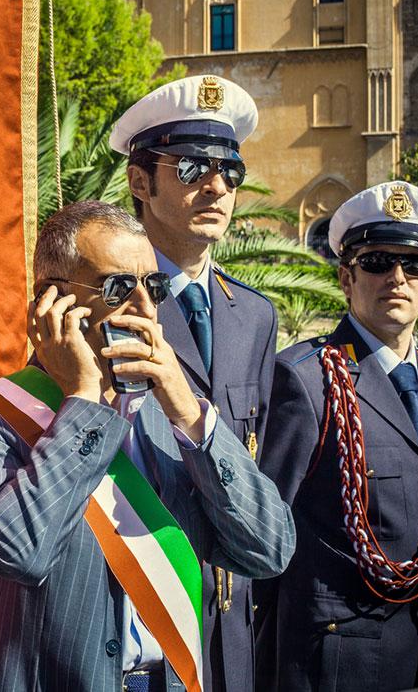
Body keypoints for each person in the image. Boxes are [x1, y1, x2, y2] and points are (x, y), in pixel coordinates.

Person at [0, 200, 294, 692]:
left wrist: (192, 416)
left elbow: (270, 550)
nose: (147, 308)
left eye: (154, 286)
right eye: (118, 288)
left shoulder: (175, 417)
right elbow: (21, 553)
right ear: (54, 303)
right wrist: (84, 399)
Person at [110, 74, 279, 692]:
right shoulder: (100, 302)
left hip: (230, 630)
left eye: (230, 171)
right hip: (139, 626)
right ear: (139, 182)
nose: (217, 187)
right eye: (191, 168)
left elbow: (258, 472)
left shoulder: (255, 316)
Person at [257, 182, 418, 691]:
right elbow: (266, 533)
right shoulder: (305, 379)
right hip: (335, 662)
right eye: (377, 261)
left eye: (415, 264)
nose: (397, 278)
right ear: (345, 278)